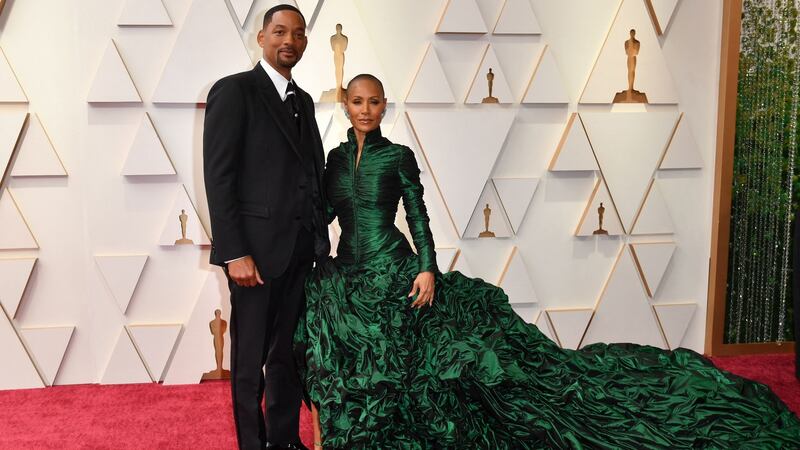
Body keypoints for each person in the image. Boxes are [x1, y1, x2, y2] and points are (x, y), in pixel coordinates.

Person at [294, 74, 800, 449]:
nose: (365, 109)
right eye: (357, 102)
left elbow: (418, 215)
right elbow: (323, 216)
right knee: (327, 334)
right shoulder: (334, 161)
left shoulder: (397, 155)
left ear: (385, 105)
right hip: (348, 274)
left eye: (374, 101)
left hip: (398, 270)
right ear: (346, 104)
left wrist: (427, 266)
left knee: (457, 364)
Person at [203, 5, 329, 450]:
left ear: (305, 43)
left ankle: (284, 439)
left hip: (299, 252)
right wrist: (234, 252)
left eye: (297, 33)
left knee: (287, 357)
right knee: (249, 359)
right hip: (252, 256)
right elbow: (219, 177)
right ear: (261, 38)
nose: (288, 41)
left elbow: (310, 174)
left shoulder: (305, 100)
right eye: (279, 32)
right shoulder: (234, 91)